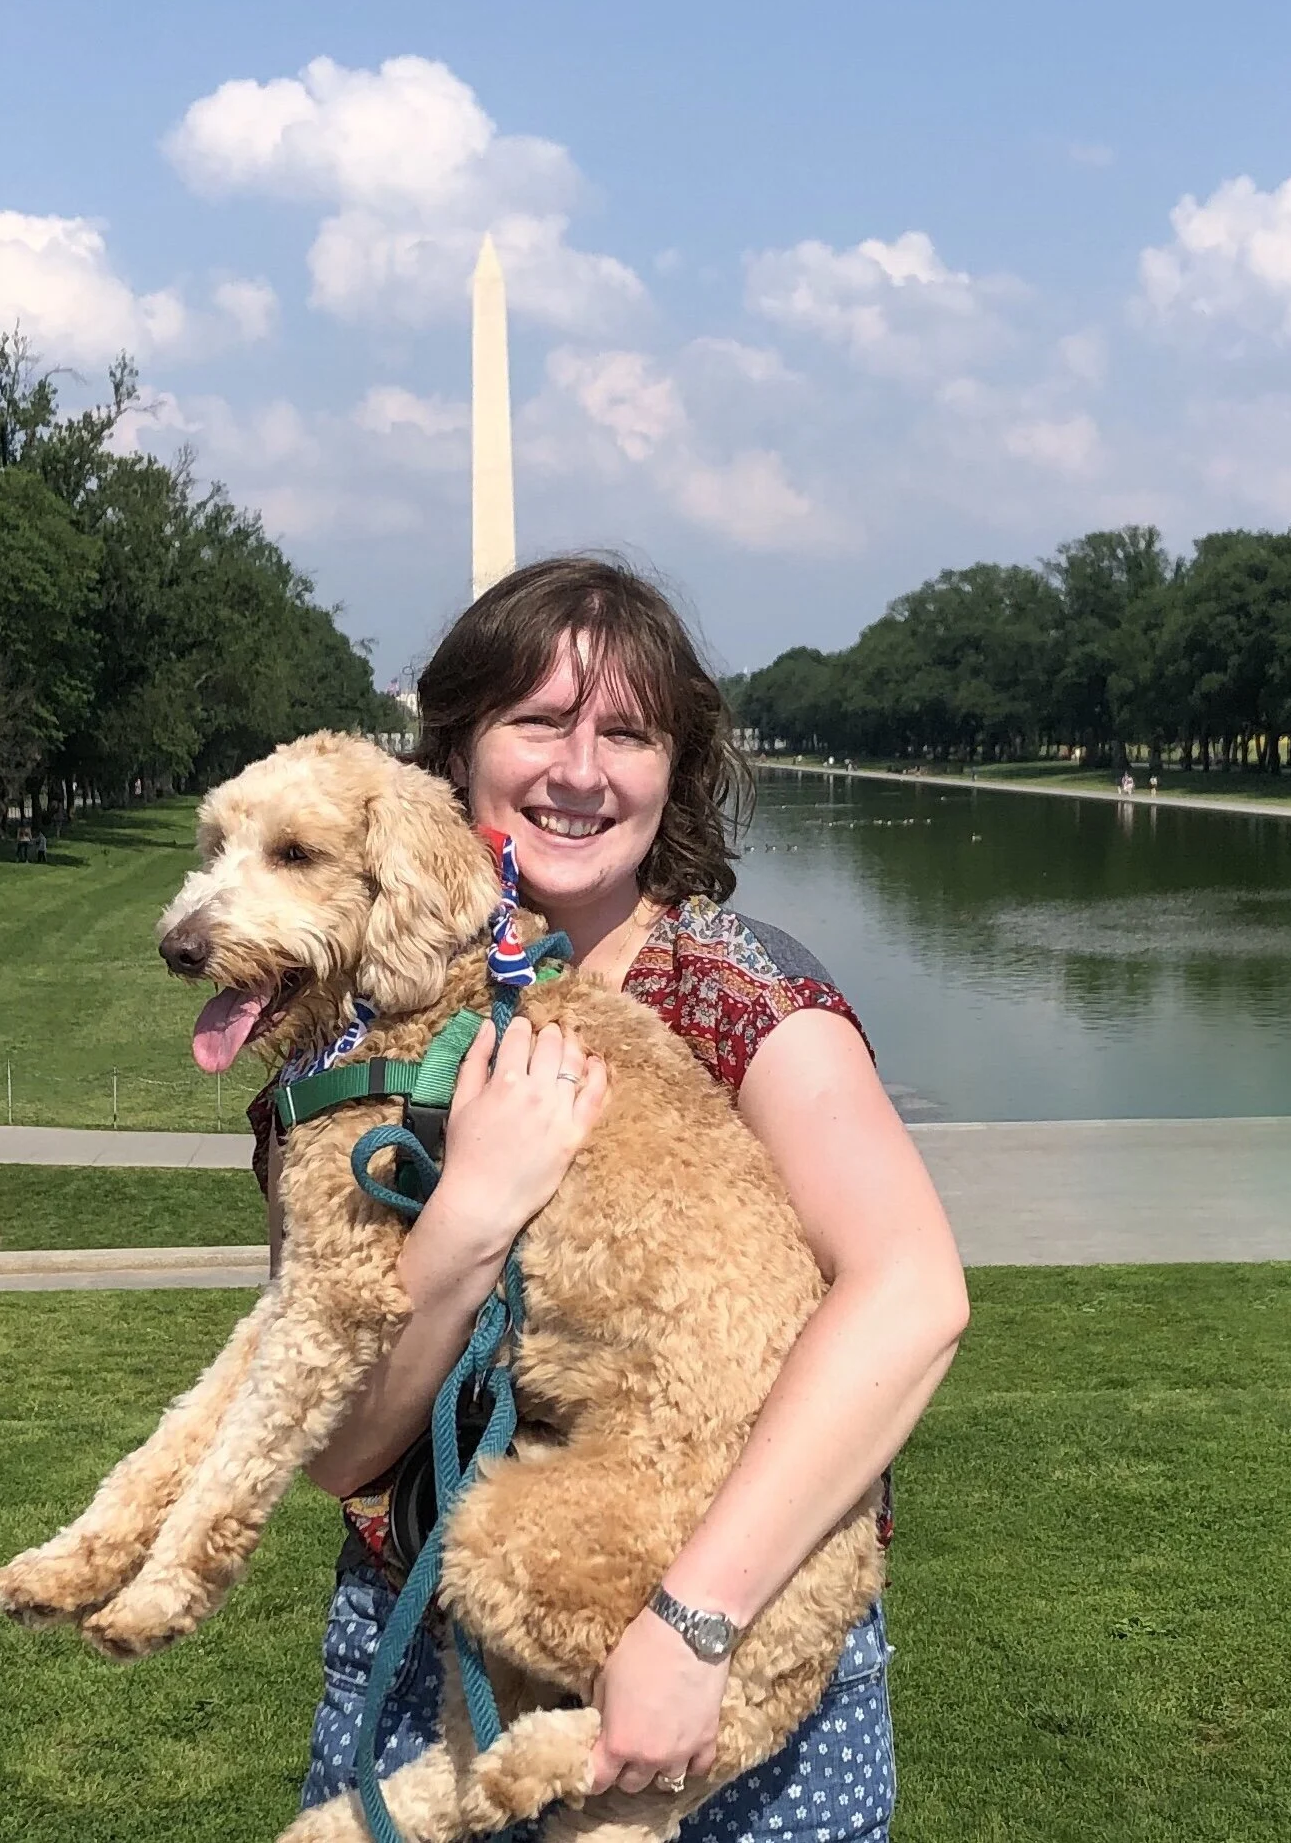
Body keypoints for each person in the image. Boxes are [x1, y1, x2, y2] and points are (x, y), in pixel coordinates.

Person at [253, 557, 968, 1840]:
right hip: (435, 1648)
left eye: (627, 732)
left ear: (673, 769)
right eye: (539, 721)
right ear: (456, 748)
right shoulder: (340, 1035)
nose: (583, 771)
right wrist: (470, 1218)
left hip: (735, 1658)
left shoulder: (741, 996)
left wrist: (694, 1626)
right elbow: (346, 1447)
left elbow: (912, 1293)